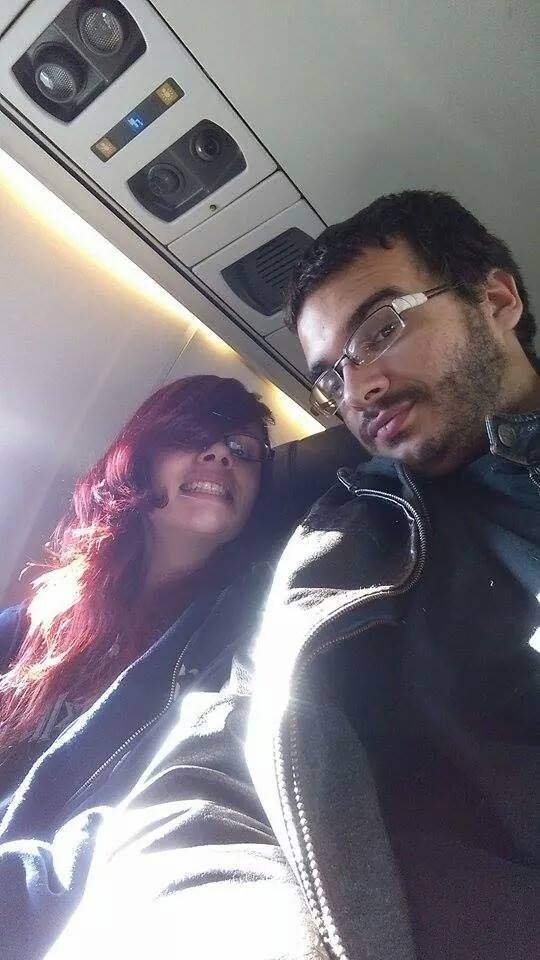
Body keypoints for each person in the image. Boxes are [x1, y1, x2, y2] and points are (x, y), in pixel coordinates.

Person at [7, 191, 540, 960]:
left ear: (496, 299)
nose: (360, 391)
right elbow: (215, 751)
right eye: (333, 378)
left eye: (381, 330)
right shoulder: (344, 525)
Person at [0, 374, 276, 957]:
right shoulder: (35, 620)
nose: (221, 454)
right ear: (141, 459)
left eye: (243, 450)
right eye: (194, 435)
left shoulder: (238, 651)